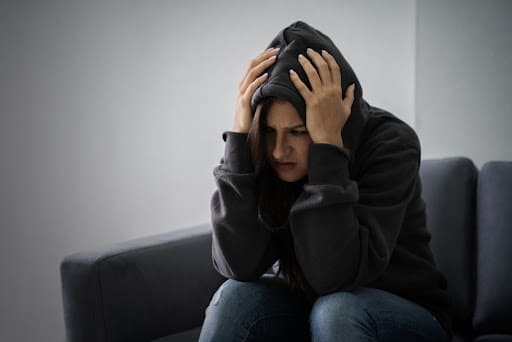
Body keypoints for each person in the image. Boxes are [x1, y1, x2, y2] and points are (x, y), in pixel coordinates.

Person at [199, 21, 452, 342]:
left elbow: (334, 277)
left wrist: (328, 149)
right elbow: (238, 266)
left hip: (407, 313)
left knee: (337, 309)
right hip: (315, 303)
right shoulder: (265, 150)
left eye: (298, 131)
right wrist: (240, 142)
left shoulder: (392, 143)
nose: (279, 150)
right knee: (235, 298)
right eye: (268, 131)